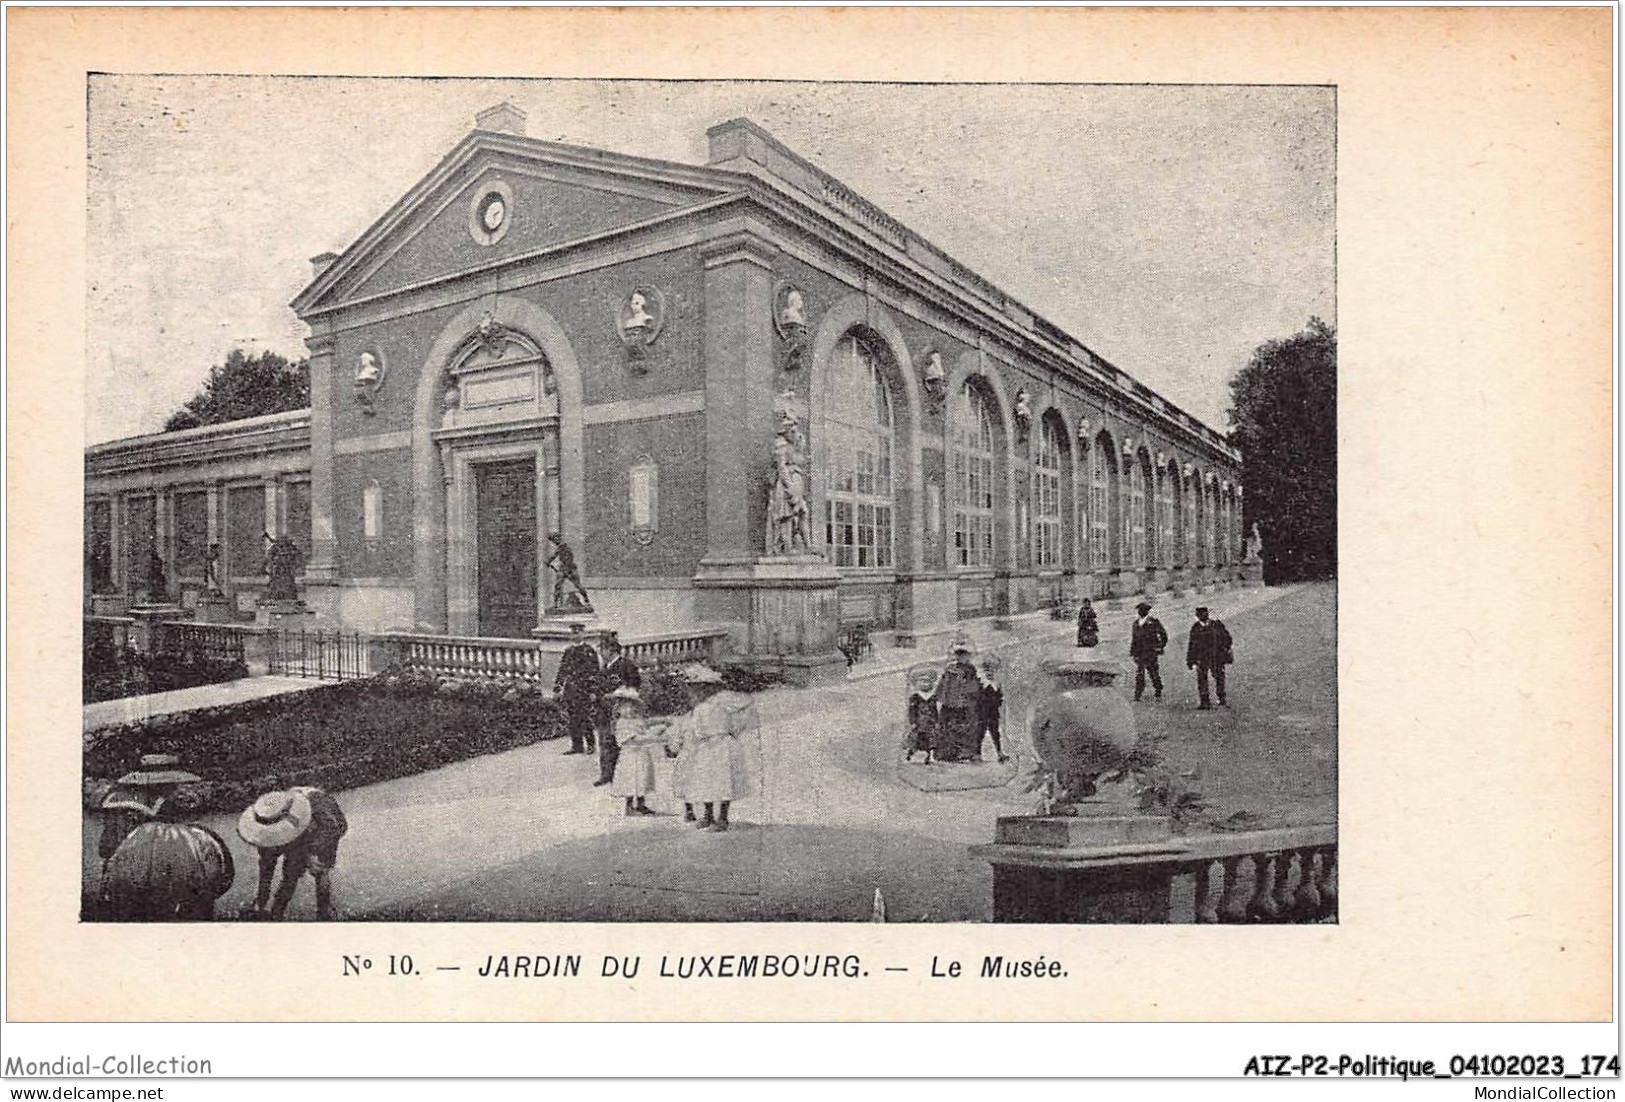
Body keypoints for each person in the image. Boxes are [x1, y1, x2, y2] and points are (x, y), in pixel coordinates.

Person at [664, 664, 755, 832]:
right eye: (694, 688)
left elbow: (747, 703)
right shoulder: (698, 708)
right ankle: (708, 815)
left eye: (700, 688)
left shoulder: (722, 701)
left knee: (723, 781)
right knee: (705, 781)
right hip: (704, 746)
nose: (696, 692)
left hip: (722, 745)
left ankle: (723, 818)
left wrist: (735, 729)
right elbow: (692, 730)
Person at [237, 786, 349, 921]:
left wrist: (311, 854)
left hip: (325, 828)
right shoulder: (265, 833)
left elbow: (335, 829)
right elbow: (266, 869)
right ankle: (275, 913)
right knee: (290, 872)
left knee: (318, 869)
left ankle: (324, 912)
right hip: (300, 827)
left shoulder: (322, 812)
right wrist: (260, 900)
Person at [97, 753, 201, 878]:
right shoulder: (158, 803)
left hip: (113, 848)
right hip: (141, 857)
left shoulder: (114, 797)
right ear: (162, 785)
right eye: (172, 785)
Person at [593, 633, 642, 786]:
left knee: (619, 742)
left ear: (611, 649)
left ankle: (621, 775)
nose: (600, 652)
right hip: (604, 712)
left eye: (602, 648)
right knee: (604, 742)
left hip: (621, 712)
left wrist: (616, 695)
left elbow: (634, 688)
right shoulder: (604, 668)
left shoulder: (626, 666)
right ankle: (606, 774)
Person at [607, 687, 659, 816]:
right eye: (625, 708)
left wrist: (662, 722)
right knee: (631, 779)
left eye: (632, 707)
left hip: (641, 754)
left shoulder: (637, 721)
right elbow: (631, 740)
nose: (629, 710)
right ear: (618, 710)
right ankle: (629, 806)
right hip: (630, 755)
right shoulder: (622, 724)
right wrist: (652, 738)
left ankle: (641, 803)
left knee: (642, 778)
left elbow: (647, 725)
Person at [553, 621, 600, 756]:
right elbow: (562, 670)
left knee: (585, 717)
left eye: (578, 632)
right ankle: (577, 746)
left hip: (584, 689)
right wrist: (558, 687)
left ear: (583, 634)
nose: (575, 635)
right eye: (573, 632)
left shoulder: (589, 651)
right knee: (573, 718)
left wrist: (593, 691)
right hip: (571, 689)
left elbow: (594, 672)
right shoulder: (569, 651)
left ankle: (590, 744)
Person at [931, 641, 983, 762]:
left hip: (964, 703)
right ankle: (946, 753)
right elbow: (943, 685)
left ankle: (963, 752)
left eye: (965, 655)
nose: (962, 658)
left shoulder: (971, 669)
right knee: (948, 726)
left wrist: (975, 696)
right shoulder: (950, 669)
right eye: (960, 655)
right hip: (951, 703)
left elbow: (973, 685)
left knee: (964, 727)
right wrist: (940, 697)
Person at [1185, 606, 1234, 710]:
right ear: (1197, 616)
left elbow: (1227, 638)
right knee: (1202, 679)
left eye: (1205, 613)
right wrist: (1190, 660)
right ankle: (1204, 701)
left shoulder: (1216, 625)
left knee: (1219, 678)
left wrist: (1225, 649)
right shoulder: (1195, 628)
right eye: (1201, 614)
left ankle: (1222, 699)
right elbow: (1192, 645)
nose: (1204, 615)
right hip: (1202, 658)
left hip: (1216, 657)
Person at [1129, 600, 1168, 703]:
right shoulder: (1136, 624)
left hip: (1151, 652)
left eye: (1143, 610)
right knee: (1139, 674)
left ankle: (1158, 691)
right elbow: (1134, 639)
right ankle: (1138, 694)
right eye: (1139, 610)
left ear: (1147, 611)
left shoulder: (1153, 622)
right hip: (1140, 653)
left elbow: (1163, 635)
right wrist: (1133, 653)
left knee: (1153, 673)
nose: (1140, 612)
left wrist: (1160, 646)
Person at [544, 533, 592, 611]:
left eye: (554, 540)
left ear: (557, 538)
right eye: (552, 541)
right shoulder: (561, 547)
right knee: (560, 585)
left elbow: (555, 556)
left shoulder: (562, 546)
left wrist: (548, 562)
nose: (554, 542)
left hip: (568, 568)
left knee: (572, 585)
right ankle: (586, 600)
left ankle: (556, 604)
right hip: (566, 568)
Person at [978, 655, 1009, 763]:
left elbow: (1000, 698)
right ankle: (977, 754)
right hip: (982, 713)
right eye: (987, 671)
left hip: (993, 713)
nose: (990, 673)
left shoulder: (997, 684)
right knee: (980, 733)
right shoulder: (982, 684)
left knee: (995, 733)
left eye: (992, 670)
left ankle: (999, 753)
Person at [905, 668, 940, 763]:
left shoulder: (932, 698)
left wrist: (936, 721)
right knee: (916, 738)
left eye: (927, 682)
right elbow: (912, 711)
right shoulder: (915, 698)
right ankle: (911, 754)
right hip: (919, 722)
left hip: (930, 722)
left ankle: (930, 755)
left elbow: (934, 710)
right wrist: (913, 722)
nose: (925, 684)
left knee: (931, 739)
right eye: (922, 682)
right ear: (916, 684)